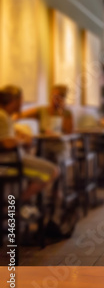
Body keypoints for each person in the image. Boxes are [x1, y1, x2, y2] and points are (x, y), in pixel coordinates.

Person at [0, 86, 59, 218]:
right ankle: (17, 204)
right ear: (14, 101)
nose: (23, 103)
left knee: (50, 168)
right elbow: (7, 143)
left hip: (14, 160)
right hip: (9, 164)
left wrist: (19, 136)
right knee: (52, 171)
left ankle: (19, 204)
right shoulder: (2, 116)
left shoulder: (6, 116)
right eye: (21, 100)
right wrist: (21, 140)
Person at [19, 85, 74, 162]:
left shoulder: (67, 113)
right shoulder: (42, 110)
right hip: (43, 146)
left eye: (57, 97)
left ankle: (55, 172)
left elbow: (69, 132)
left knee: (55, 158)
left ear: (62, 99)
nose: (53, 99)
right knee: (37, 156)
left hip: (59, 146)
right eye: (52, 96)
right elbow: (21, 115)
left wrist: (61, 112)